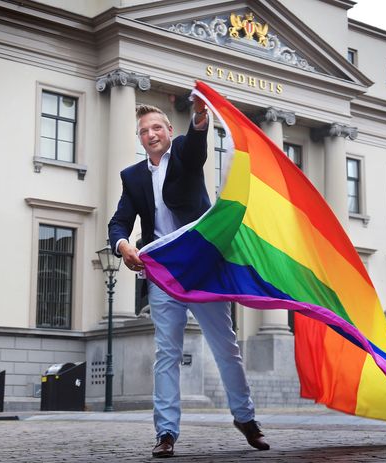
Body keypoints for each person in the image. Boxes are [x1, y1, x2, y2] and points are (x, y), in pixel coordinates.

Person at [108, 100, 269, 457]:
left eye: (157, 128)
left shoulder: (183, 152)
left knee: (227, 347)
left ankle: (246, 418)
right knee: (167, 353)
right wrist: (122, 245)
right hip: (164, 274)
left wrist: (199, 117)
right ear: (140, 138)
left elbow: (197, 146)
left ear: (168, 131)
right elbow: (119, 222)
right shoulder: (132, 177)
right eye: (144, 131)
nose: (151, 135)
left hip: (202, 267)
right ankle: (165, 432)